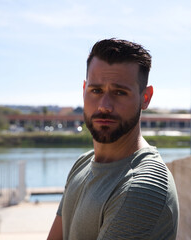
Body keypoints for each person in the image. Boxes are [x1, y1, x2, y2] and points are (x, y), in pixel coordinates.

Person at [47, 38, 179, 240]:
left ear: (145, 97)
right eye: (96, 90)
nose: (104, 105)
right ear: (84, 90)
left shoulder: (142, 186)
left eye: (119, 92)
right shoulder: (83, 164)